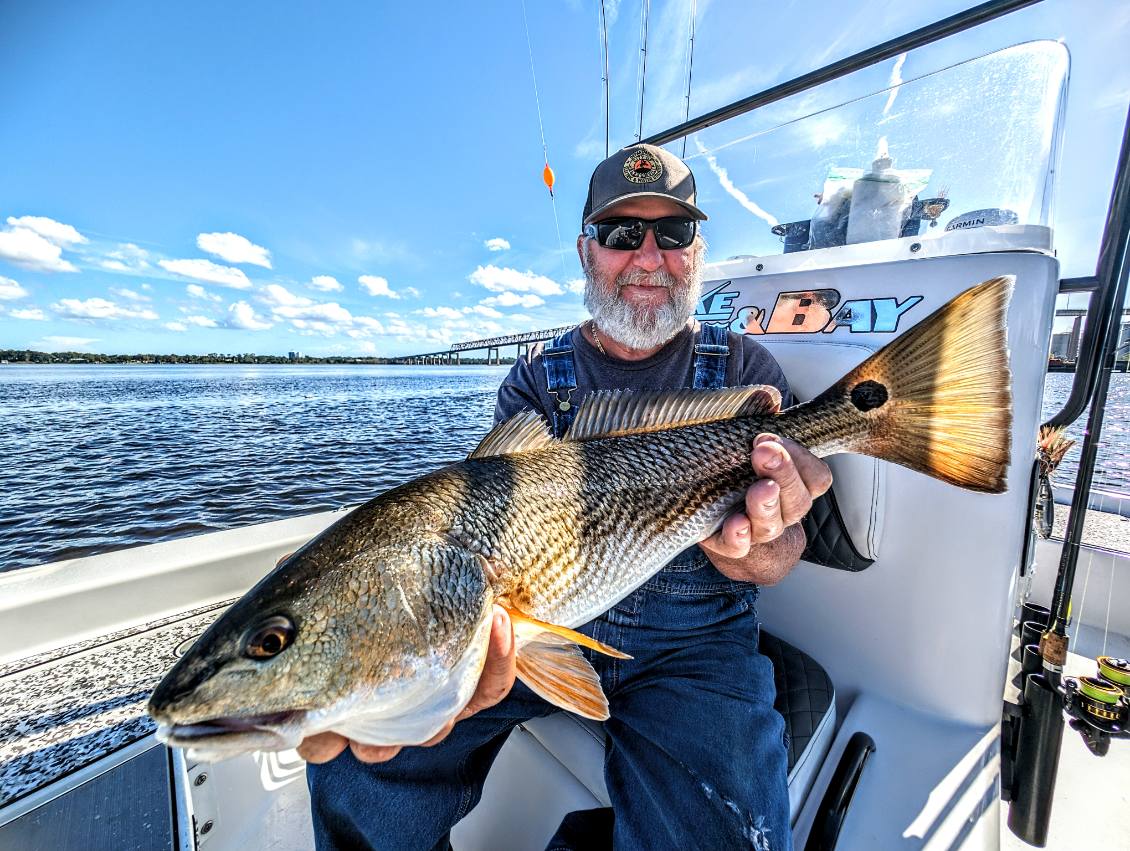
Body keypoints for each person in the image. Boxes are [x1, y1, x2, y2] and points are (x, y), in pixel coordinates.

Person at [302, 144, 832, 851]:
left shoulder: (744, 370)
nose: (647, 257)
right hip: (536, 624)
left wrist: (757, 544)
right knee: (357, 754)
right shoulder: (533, 379)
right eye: (620, 235)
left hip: (693, 647)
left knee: (724, 833)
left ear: (696, 250)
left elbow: (782, 555)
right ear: (588, 251)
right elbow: (490, 530)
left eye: (671, 234)